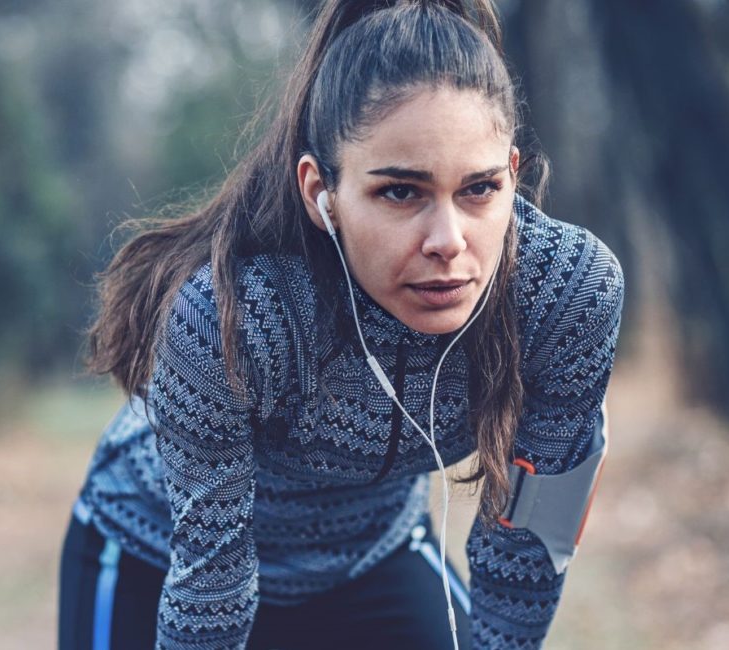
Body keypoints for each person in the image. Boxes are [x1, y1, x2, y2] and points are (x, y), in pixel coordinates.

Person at [59, 0, 625, 648]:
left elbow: (531, 539)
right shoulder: (237, 315)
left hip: (370, 555)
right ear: (319, 192)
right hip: (156, 551)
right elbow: (210, 583)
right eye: (401, 192)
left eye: (479, 189)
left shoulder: (566, 294)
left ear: (512, 174)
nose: (448, 241)